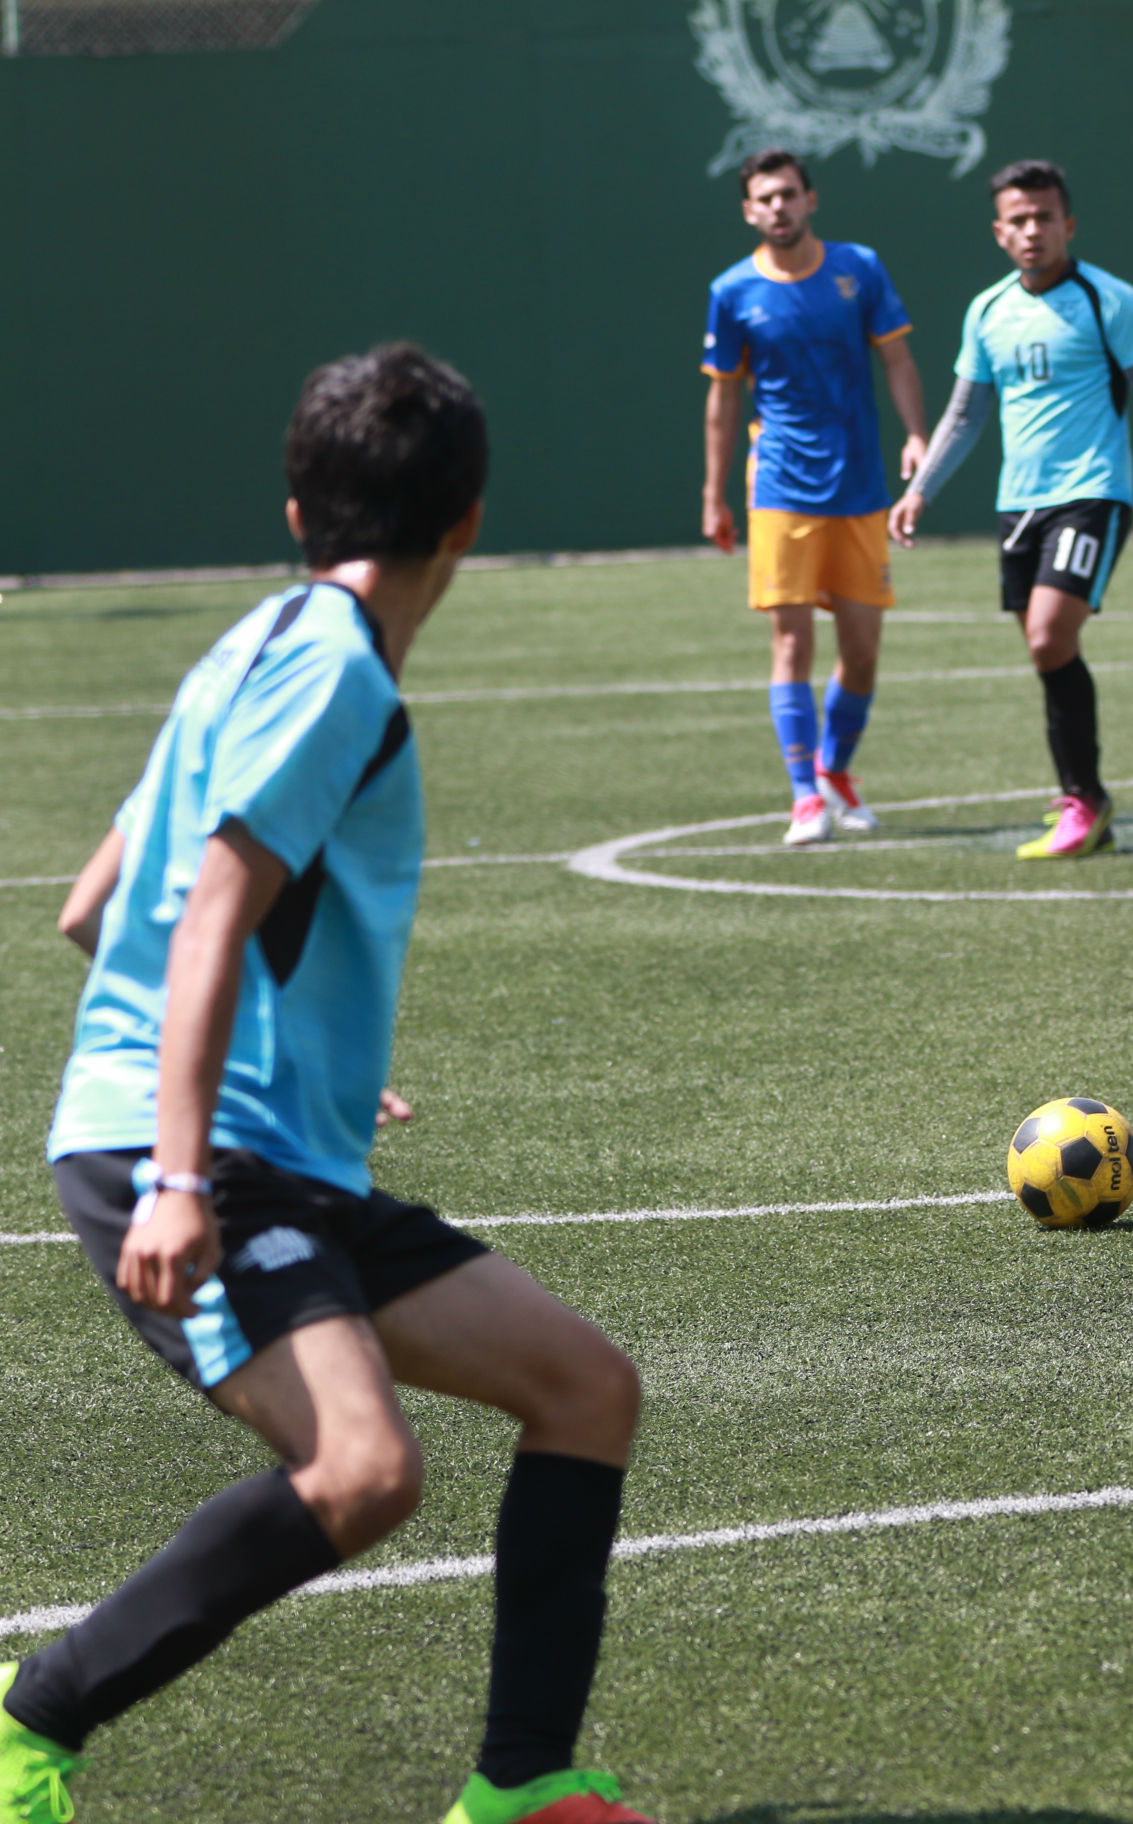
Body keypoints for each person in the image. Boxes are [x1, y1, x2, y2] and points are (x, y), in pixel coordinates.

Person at [5, 346, 653, 1824]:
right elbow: (214, 909)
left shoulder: (252, 642)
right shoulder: (337, 677)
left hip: (267, 1149)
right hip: (185, 1161)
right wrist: (179, 1172)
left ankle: (527, 1787)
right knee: (363, 1470)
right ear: (469, 523)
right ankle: (30, 1723)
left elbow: (97, 904)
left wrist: (295, 1073)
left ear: (298, 510)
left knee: (585, 1389)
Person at [890, 157, 1133, 860]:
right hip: (1016, 505)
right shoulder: (988, 310)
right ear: (999, 232)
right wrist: (920, 490)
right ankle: (1085, 800)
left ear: (1068, 224)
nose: (1032, 231)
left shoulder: (1108, 299)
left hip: (1091, 494)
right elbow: (963, 415)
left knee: (1050, 635)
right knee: (1047, 650)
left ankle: (1084, 799)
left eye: (1044, 217)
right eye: (1018, 220)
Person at [702, 147, 928, 848]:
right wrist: (715, 495)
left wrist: (917, 435)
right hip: (779, 489)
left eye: (788, 194)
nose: (778, 207)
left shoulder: (857, 267)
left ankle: (834, 770)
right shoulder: (733, 290)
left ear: (810, 199)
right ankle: (804, 796)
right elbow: (722, 399)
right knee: (791, 640)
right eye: (765, 198)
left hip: (860, 487)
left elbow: (896, 358)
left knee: (861, 651)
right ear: (749, 210)